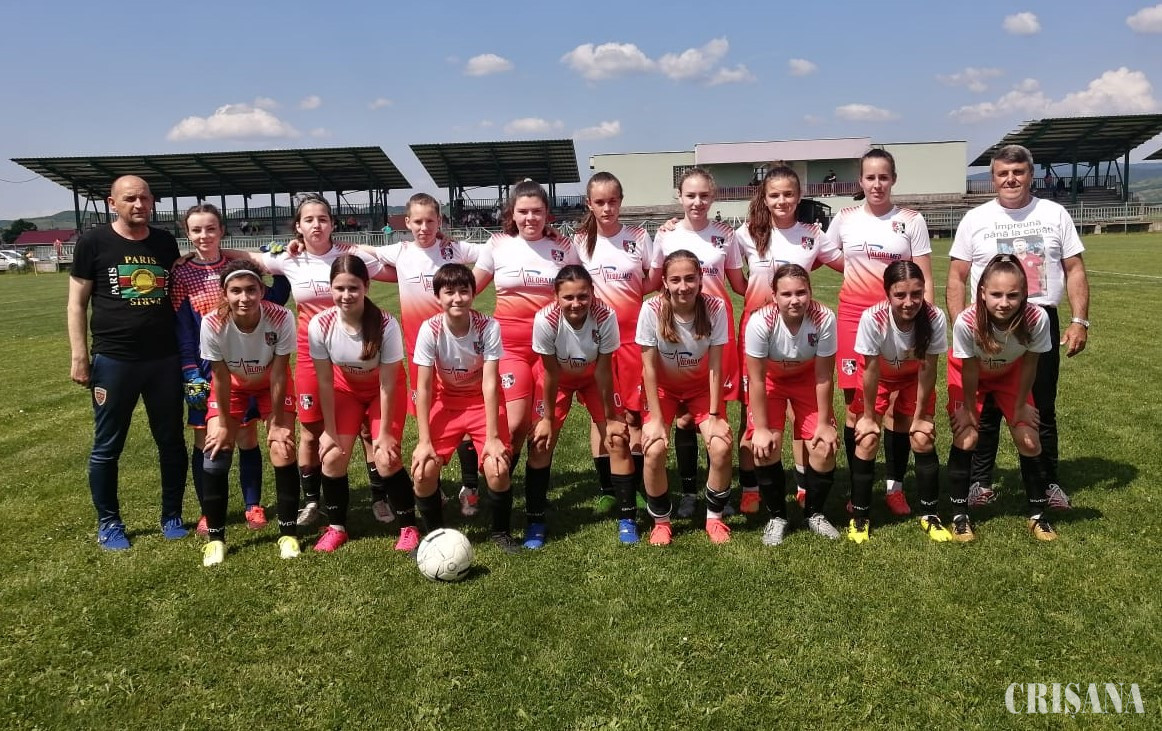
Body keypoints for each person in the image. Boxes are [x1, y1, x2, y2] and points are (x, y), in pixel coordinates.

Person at [231, 195, 388, 527]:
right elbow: (248, 259)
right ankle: (313, 501)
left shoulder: (350, 256)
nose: (317, 224)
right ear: (298, 226)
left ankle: (380, 498)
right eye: (309, 219)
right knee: (311, 430)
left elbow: (396, 266)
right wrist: (206, 252)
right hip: (309, 354)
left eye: (323, 218)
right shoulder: (289, 258)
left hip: (354, 353)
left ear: (332, 223)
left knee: (366, 428)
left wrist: (364, 247)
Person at [947, 143, 1089, 510]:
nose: (1011, 179)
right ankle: (979, 484)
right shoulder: (975, 219)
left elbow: (1074, 268)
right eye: (1003, 173)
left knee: (1041, 405)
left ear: (1031, 174)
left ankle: (1048, 483)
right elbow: (957, 276)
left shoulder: (1054, 214)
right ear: (993, 178)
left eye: (1018, 172)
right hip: (986, 322)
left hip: (1038, 320)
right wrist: (963, 324)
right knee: (986, 408)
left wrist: (1079, 320)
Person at [67, 175, 188, 550]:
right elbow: (76, 303)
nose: (139, 205)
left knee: (171, 441)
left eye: (145, 198)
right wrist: (80, 355)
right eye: (130, 198)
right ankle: (109, 523)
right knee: (107, 446)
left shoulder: (164, 242)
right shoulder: (93, 242)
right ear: (112, 203)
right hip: (114, 359)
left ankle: (172, 516)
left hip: (164, 359)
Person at [170, 203, 290, 535]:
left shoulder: (237, 268)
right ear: (187, 233)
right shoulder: (182, 273)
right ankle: (209, 511)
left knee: (247, 436)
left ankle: (253, 505)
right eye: (196, 230)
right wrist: (190, 370)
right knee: (208, 440)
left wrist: (272, 260)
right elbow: (183, 327)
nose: (204, 235)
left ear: (222, 230)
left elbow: (277, 295)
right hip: (206, 370)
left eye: (211, 228)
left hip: (246, 367)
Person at [827, 149, 934, 515]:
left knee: (900, 407)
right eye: (870, 177)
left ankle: (895, 486)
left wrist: (924, 324)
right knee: (857, 406)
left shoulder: (911, 220)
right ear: (861, 181)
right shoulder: (844, 218)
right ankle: (857, 486)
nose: (877, 184)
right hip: (853, 319)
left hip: (900, 320)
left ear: (893, 179)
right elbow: (823, 253)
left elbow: (924, 276)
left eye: (883, 177)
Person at [362, 193, 483, 517]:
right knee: (430, 418)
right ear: (407, 222)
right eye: (417, 221)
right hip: (420, 357)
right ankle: (435, 484)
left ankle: (470, 487)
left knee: (465, 417)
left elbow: (491, 252)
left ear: (439, 221)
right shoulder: (400, 251)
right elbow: (362, 251)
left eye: (431, 221)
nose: (424, 227)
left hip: (457, 351)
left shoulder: (453, 250)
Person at [735, 166, 843, 513]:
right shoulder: (747, 233)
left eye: (788, 194)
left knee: (801, 412)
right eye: (775, 195)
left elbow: (849, 262)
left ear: (799, 196)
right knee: (751, 413)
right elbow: (732, 276)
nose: (782, 200)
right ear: (764, 198)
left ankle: (802, 483)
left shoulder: (812, 234)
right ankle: (751, 487)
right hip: (757, 332)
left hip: (799, 330)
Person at [651, 168, 746, 519]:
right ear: (679, 197)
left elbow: (739, 284)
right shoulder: (666, 234)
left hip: (716, 334)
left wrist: (779, 294)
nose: (697, 202)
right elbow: (652, 282)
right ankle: (689, 493)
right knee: (684, 418)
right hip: (677, 333)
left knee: (714, 413)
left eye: (704, 195)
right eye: (690, 195)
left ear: (713, 196)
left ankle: (717, 491)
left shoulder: (726, 235)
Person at [946, 254, 1057, 542]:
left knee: (1029, 439)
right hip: (970, 375)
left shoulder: (1037, 318)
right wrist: (969, 409)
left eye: (1012, 295)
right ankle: (959, 516)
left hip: (1011, 375)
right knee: (967, 436)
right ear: (982, 292)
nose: (1004, 302)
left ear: (1024, 294)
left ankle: (1038, 515)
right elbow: (970, 369)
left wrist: (1020, 407)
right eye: (996, 294)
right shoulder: (967, 322)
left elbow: (1031, 364)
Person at [410, 263, 519, 553]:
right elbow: (423, 387)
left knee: (497, 468)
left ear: (473, 293)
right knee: (423, 471)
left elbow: (491, 383)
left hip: (482, 403)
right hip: (447, 403)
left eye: (463, 291)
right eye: (449, 292)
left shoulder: (488, 327)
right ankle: (433, 537)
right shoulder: (430, 329)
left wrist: (493, 438)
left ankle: (501, 533)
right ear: (438, 297)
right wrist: (423, 441)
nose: (457, 298)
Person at [473, 181, 580, 476]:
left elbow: (580, 290)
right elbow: (469, 289)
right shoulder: (497, 244)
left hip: (551, 349)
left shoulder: (563, 247)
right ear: (512, 213)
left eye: (537, 211)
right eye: (523, 211)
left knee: (542, 428)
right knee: (515, 423)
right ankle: (497, 480)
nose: (530, 218)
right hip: (510, 348)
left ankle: (531, 495)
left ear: (547, 213)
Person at [197, 261, 299, 565]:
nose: (244, 298)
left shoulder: (281, 316)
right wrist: (224, 423)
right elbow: (220, 376)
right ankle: (216, 540)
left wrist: (277, 423)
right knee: (216, 450)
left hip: (271, 385)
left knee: (282, 448)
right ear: (225, 293)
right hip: (233, 386)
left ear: (262, 291)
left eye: (251, 290)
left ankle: (288, 534)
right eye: (236, 291)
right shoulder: (212, 322)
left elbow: (279, 373)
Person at [307, 255, 411, 553]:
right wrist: (328, 430)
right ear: (330, 288)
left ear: (366, 287)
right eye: (339, 288)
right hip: (346, 391)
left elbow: (388, 383)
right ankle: (336, 528)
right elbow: (325, 382)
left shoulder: (386, 324)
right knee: (332, 456)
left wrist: (386, 434)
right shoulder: (320, 324)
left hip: (383, 391)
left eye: (353, 288)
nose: (346, 295)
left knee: (386, 457)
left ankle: (408, 527)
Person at [529, 266, 634, 545]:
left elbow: (604, 370)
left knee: (618, 439)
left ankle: (627, 519)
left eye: (583, 296)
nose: (576, 304)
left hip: (593, 377)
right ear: (556, 297)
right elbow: (550, 373)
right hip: (558, 379)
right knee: (540, 442)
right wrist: (547, 419)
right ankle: (535, 521)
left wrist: (611, 417)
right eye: (568, 297)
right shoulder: (545, 320)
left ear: (592, 294)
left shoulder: (605, 316)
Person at [637, 249, 733, 546]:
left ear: (701, 279)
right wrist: (655, 420)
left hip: (701, 389)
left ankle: (714, 518)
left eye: (690, 278)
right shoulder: (651, 309)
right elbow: (649, 369)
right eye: (675, 280)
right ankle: (661, 522)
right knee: (653, 449)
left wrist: (714, 416)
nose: (683, 286)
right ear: (664, 282)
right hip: (663, 390)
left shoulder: (715, 307)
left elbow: (716, 365)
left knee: (720, 446)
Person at [572, 172, 655, 513]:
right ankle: (608, 488)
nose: (607, 208)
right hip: (594, 344)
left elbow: (653, 279)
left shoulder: (639, 237)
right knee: (602, 416)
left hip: (633, 341)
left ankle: (633, 486)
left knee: (633, 415)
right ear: (589, 204)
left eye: (613, 201)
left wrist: (628, 299)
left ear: (621, 201)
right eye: (600, 202)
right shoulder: (578, 243)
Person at [850, 261, 949, 543]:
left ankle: (929, 514)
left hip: (913, 379)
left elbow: (928, 369)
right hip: (879, 378)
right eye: (900, 295)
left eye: (916, 294)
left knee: (921, 438)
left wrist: (920, 416)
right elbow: (869, 370)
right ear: (887, 294)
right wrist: (869, 416)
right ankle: (859, 516)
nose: (909, 302)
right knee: (867, 438)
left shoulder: (934, 317)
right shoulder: (873, 318)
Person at [745, 264, 840, 545]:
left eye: (801, 292)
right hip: (771, 382)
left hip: (808, 379)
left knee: (824, 447)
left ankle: (814, 513)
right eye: (786, 294)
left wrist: (824, 424)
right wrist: (761, 429)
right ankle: (777, 517)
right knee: (764, 447)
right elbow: (756, 380)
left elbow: (824, 376)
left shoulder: (824, 318)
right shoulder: (760, 322)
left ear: (810, 292)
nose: (795, 300)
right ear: (774, 296)